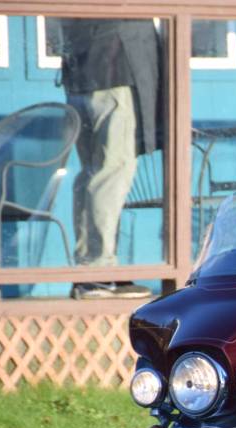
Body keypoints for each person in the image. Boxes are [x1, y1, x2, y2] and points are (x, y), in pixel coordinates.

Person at [60, 19, 161, 299]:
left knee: (93, 172)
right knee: (111, 171)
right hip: (113, 67)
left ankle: (90, 271)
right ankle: (98, 271)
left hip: (84, 69)